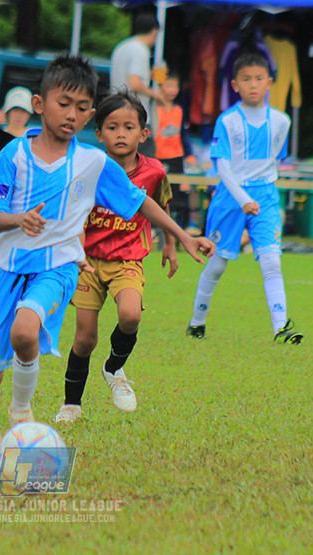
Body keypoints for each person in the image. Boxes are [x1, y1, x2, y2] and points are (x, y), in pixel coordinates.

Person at [0, 54, 214, 472]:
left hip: (56, 268)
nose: (72, 115)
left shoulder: (94, 163)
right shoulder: (14, 154)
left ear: (90, 113)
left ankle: (21, 416)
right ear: (40, 105)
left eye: (82, 107)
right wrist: (17, 219)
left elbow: (141, 201)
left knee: (26, 331)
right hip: (5, 272)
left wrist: (183, 236)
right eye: (63, 103)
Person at [54, 91, 202, 425]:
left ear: (143, 134)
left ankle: (114, 367)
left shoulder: (154, 171)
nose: (120, 134)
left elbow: (159, 204)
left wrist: (169, 244)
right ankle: (71, 404)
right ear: (99, 133)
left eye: (129, 127)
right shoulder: (88, 166)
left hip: (128, 259)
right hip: (88, 261)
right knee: (84, 338)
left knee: (131, 315)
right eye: (112, 127)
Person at [186, 53, 302, 345]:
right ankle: (197, 322)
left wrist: (260, 193)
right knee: (218, 263)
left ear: (269, 83)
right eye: (246, 79)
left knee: (271, 261)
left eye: (259, 79)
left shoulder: (281, 121)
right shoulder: (227, 121)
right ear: (235, 84)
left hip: (265, 196)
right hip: (230, 196)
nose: (253, 85)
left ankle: (281, 328)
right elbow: (222, 166)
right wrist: (242, 198)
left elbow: (277, 160)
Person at [110, 14, 168, 121]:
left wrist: (151, 75)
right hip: (133, 112)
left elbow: (125, 77)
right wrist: (156, 95)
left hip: (115, 107)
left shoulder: (122, 46)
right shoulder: (141, 50)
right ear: (155, 31)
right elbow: (134, 83)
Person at [154, 72, 190, 228]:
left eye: (175, 86)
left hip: (176, 157)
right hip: (159, 157)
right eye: (168, 85)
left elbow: (184, 134)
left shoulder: (179, 110)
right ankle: (155, 228)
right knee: (159, 194)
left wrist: (189, 155)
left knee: (179, 195)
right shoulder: (154, 109)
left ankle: (181, 229)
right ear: (161, 87)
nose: (172, 90)